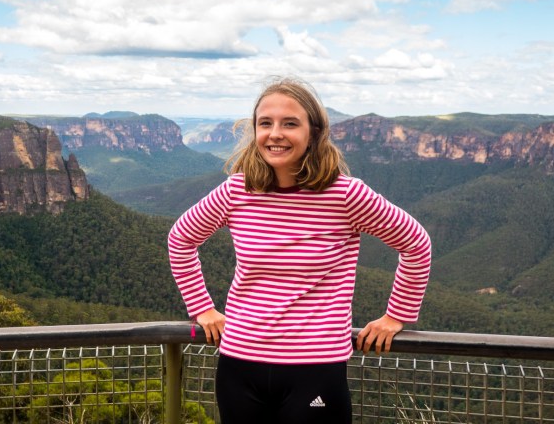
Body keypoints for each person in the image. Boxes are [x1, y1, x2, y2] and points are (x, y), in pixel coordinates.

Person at [168, 77, 432, 424]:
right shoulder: (237, 190)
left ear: (314, 132)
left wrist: (396, 315)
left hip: (315, 370)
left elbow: (416, 244)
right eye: (266, 123)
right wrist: (202, 308)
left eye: (290, 123)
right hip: (239, 364)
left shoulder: (346, 195)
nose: (275, 134)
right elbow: (180, 240)